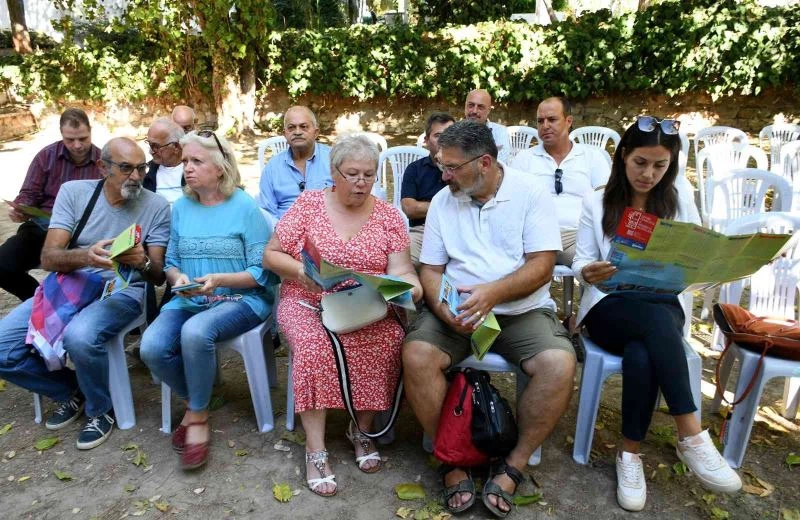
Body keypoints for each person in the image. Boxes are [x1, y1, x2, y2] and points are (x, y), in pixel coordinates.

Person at [402, 121, 575, 517]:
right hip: (458, 309)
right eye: (439, 165)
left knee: (559, 363)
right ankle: (453, 460)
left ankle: (513, 464)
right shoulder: (446, 199)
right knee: (417, 355)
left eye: (450, 167)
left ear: (484, 163)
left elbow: (543, 266)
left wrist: (493, 292)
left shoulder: (530, 193)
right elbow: (430, 269)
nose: (442, 176)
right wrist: (445, 310)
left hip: (521, 309)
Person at [571, 116, 741, 512]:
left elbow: (695, 264)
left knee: (645, 347)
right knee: (652, 324)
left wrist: (701, 269)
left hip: (664, 306)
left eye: (659, 166)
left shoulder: (679, 202)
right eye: (640, 163)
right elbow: (581, 261)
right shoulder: (597, 202)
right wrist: (587, 271)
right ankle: (691, 435)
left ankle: (629, 454)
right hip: (608, 307)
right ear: (623, 157)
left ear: (672, 166)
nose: (648, 174)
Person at [263, 134, 422, 497]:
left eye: (368, 174)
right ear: (333, 173)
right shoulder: (308, 205)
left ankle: (361, 430)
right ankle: (315, 449)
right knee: (313, 346)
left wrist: (411, 288)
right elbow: (271, 255)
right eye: (352, 174)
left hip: (365, 305)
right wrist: (303, 273)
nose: (361, 182)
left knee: (388, 338)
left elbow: (402, 271)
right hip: (309, 300)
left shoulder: (388, 217)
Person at [0, 137, 170, 450]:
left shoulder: (156, 205)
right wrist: (86, 257)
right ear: (103, 167)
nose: (136, 176)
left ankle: (100, 409)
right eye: (126, 168)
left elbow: (157, 275)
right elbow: (50, 258)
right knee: (2, 348)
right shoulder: (75, 193)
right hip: (69, 286)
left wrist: (142, 261)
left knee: (79, 336)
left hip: (122, 290)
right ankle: (71, 389)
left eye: (141, 167)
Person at [140, 130, 273, 470]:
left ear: (220, 168)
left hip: (241, 298)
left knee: (195, 333)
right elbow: (170, 262)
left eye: (197, 161)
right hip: (190, 299)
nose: (188, 168)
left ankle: (197, 415)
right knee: (151, 347)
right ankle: (197, 397)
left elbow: (263, 273)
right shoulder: (182, 207)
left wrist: (220, 281)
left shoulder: (244, 207)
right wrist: (178, 279)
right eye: (185, 161)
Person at [0, 108, 102, 301]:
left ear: (91, 131)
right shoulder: (46, 156)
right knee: (2, 265)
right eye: (70, 140)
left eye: (83, 138)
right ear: (61, 134)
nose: (77, 145)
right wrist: (21, 208)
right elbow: (29, 193)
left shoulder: (103, 161)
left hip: (85, 232)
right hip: (42, 228)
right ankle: (41, 302)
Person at [511, 96, 610, 266]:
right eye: (540, 121)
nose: (545, 126)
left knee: (599, 268)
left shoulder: (591, 156)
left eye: (552, 119)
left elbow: (606, 198)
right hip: (535, 236)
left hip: (579, 235)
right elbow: (513, 202)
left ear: (568, 121)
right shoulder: (524, 159)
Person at [257, 106, 333, 221]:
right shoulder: (272, 168)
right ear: (285, 134)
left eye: (304, 127)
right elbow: (267, 213)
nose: (297, 132)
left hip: (329, 231)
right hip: (284, 233)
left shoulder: (335, 160)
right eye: (291, 128)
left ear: (316, 132)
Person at [400, 112, 455, 266]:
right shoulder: (415, 169)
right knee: (402, 263)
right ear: (426, 140)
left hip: (458, 228)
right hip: (423, 231)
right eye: (438, 135)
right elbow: (410, 208)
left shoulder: (463, 167)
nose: (444, 140)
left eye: (450, 134)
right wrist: (447, 206)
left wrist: (446, 164)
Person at [143, 117, 186, 205]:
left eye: (156, 146)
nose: (151, 151)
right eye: (150, 145)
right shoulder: (146, 172)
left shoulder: (193, 170)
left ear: (176, 147)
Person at [464, 89, 511, 164]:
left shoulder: (500, 132)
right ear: (465, 106)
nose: (474, 111)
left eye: (480, 107)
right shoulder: (454, 131)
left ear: (488, 111)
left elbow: (501, 162)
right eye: (471, 105)